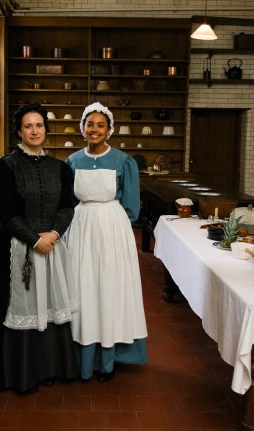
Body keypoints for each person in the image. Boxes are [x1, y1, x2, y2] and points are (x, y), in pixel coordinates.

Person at [0, 102, 79, 395]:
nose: (34, 131)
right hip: (19, 249)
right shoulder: (4, 167)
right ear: (19, 130)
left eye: (39, 125)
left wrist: (52, 234)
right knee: (22, 305)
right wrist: (35, 239)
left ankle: (51, 368)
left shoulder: (61, 168)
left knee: (51, 307)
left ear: (46, 130)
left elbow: (67, 207)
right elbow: (7, 213)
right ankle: (22, 373)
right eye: (28, 126)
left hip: (52, 247)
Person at [66, 102, 148, 382]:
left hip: (112, 227)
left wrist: (115, 227)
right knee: (83, 286)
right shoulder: (73, 161)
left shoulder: (123, 161)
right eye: (90, 124)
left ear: (109, 130)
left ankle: (110, 358)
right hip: (81, 226)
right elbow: (68, 200)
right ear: (83, 128)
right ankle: (82, 355)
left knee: (110, 287)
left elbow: (131, 205)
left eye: (101, 125)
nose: (95, 129)